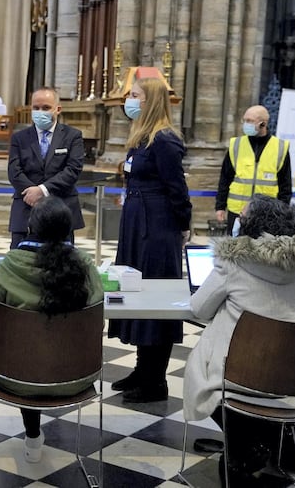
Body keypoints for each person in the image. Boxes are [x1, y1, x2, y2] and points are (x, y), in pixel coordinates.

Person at [183, 195, 295, 485]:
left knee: (206, 368)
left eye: (243, 217)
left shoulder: (232, 262)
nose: (238, 221)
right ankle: (274, 440)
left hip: (240, 377)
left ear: (252, 225)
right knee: (264, 386)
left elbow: (199, 308)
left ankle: (247, 443)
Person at [0, 196, 103, 463]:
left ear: (31, 228)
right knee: (45, 357)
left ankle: (32, 435)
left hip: (14, 377)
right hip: (74, 376)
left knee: (28, 359)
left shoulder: (10, 265)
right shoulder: (85, 266)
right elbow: (97, 322)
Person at [107, 77, 192, 403]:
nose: (130, 99)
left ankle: (156, 380)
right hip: (137, 225)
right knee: (138, 294)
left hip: (157, 229)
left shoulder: (165, 140)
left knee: (156, 299)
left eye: (135, 95)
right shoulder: (142, 138)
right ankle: (143, 369)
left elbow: (177, 189)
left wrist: (183, 225)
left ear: (152, 100)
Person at [8, 86, 85, 248]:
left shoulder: (72, 136)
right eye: (36, 108)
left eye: (46, 108)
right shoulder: (19, 137)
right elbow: (14, 171)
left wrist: (42, 190)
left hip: (61, 207)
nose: (40, 112)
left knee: (60, 265)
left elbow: (73, 170)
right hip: (26, 206)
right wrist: (32, 192)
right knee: (20, 263)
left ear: (58, 109)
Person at [215, 104, 291, 235]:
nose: (246, 124)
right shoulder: (236, 145)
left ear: (263, 124)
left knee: (263, 251)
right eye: (245, 120)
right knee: (235, 249)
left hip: (267, 213)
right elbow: (225, 178)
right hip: (238, 211)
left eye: (250, 121)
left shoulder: (280, 147)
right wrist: (220, 206)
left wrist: (283, 212)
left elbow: (285, 184)